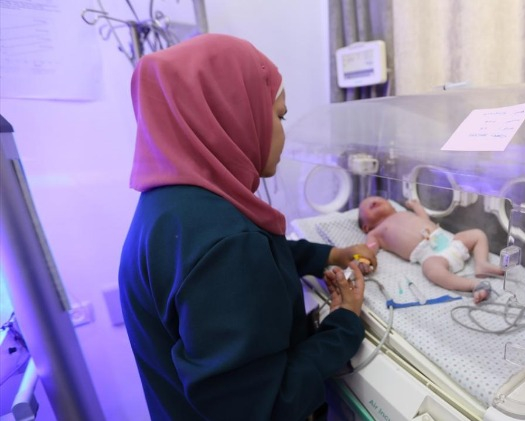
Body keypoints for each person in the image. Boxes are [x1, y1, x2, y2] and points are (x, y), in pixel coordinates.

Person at [118, 33, 377, 421]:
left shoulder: (169, 204)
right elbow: (266, 405)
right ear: (233, 115)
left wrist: (328, 254)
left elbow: (256, 255)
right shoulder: (225, 242)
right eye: (279, 116)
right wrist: (343, 326)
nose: (283, 133)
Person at [358, 196, 504, 303]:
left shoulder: (403, 213)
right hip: (432, 256)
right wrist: (364, 260)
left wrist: (416, 206)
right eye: (367, 206)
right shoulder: (375, 232)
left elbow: (425, 219)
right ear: (366, 227)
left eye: (379, 199)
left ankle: (482, 264)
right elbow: (369, 249)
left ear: (393, 207)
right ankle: (472, 284)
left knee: (477, 234)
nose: (373, 201)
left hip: (450, 242)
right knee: (430, 269)